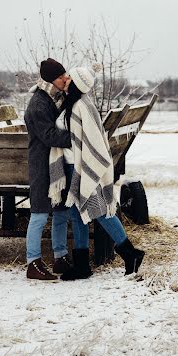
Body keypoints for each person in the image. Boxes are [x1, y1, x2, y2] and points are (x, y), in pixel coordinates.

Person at [49, 65, 145, 280]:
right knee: (77, 215)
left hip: (81, 167)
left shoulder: (82, 106)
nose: (65, 80)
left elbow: (93, 140)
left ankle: (130, 253)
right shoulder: (71, 104)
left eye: (69, 78)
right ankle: (82, 266)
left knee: (98, 211)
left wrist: (84, 164)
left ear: (75, 83)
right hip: (70, 165)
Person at [24, 58, 73, 281]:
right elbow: (48, 136)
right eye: (61, 76)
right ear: (51, 80)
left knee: (61, 211)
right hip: (41, 164)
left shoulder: (56, 98)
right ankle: (33, 263)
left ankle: (60, 257)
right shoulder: (38, 104)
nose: (66, 79)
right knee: (40, 213)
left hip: (56, 163)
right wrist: (77, 137)